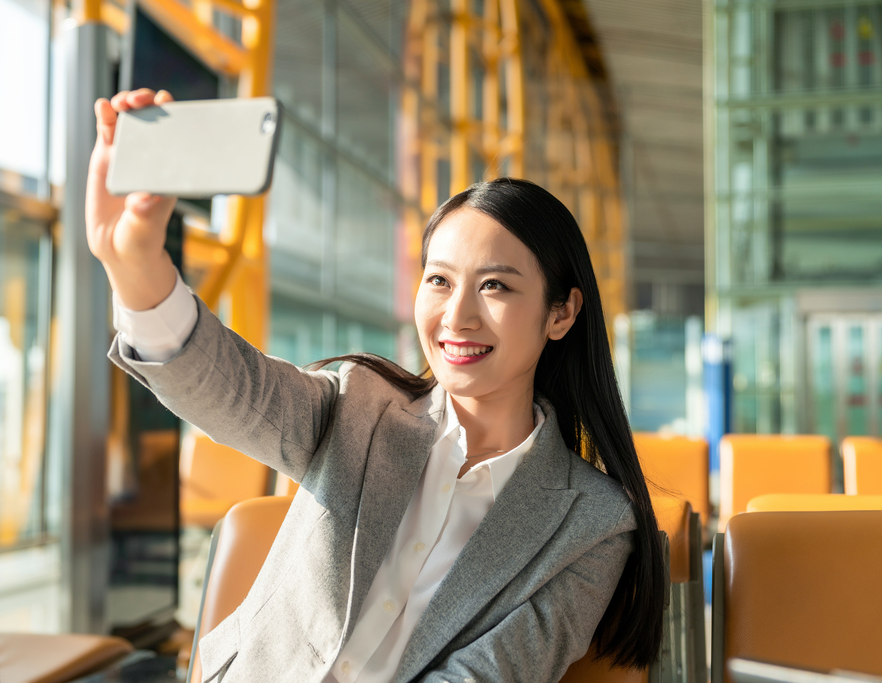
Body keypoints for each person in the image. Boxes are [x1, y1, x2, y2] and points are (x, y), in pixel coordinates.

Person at [88, 88, 665, 683]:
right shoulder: (358, 406)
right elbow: (231, 388)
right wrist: (132, 264)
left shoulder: (592, 524)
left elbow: (488, 677)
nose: (457, 316)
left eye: (495, 286)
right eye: (439, 280)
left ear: (561, 314)